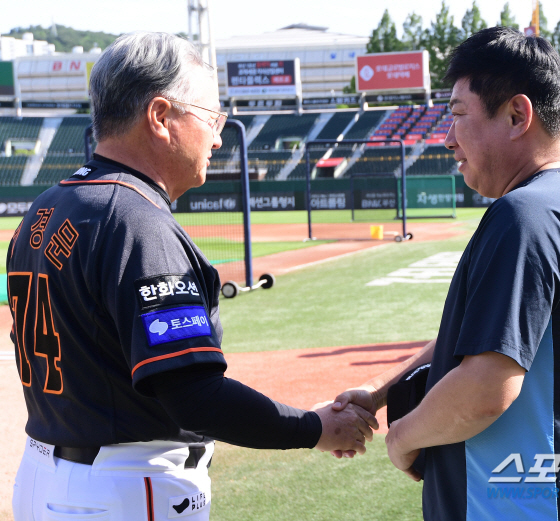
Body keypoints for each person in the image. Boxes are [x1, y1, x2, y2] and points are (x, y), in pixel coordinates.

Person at [7, 32, 376, 521]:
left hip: (49, 475)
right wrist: (313, 428)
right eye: (210, 118)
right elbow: (193, 396)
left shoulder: (47, 206)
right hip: (123, 489)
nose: (219, 137)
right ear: (160, 117)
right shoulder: (138, 223)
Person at [334, 27, 560, 520]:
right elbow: (498, 338)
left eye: (457, 114)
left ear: (518, 115)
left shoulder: (527, 215)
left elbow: (485, 388)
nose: (448, 138)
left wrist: (400, 438)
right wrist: (383, 389)